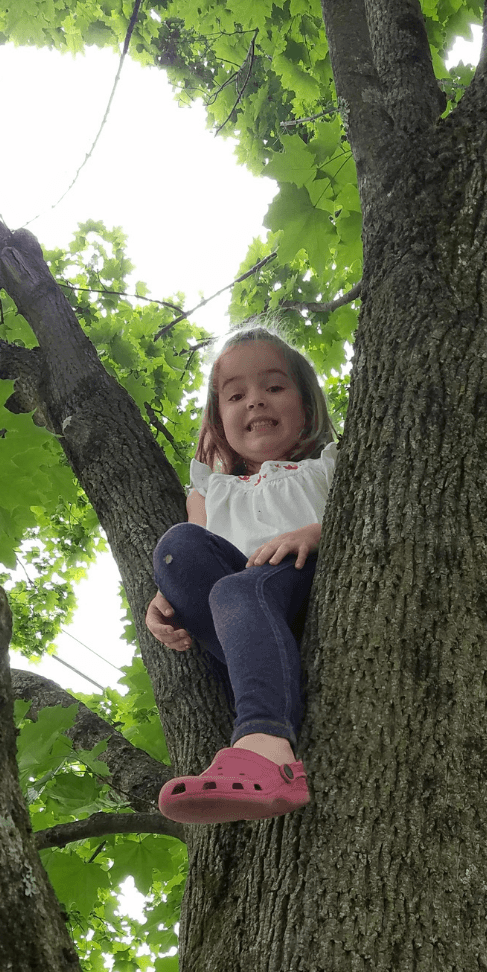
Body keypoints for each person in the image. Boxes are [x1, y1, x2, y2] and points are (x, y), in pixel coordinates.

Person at [145, 323, 337, 824]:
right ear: (218, 419)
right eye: (236, 395)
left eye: (274, 387)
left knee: (239, 589)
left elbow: (370, 518)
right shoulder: (213, 488)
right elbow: (197, 547)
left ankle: (267, 746)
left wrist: (316, 533)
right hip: (233, 615)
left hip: (302, 583)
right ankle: (260, 678)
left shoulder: (328, 467)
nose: (255, 402)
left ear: (306, 405)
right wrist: (162, 600)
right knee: (176, 547)